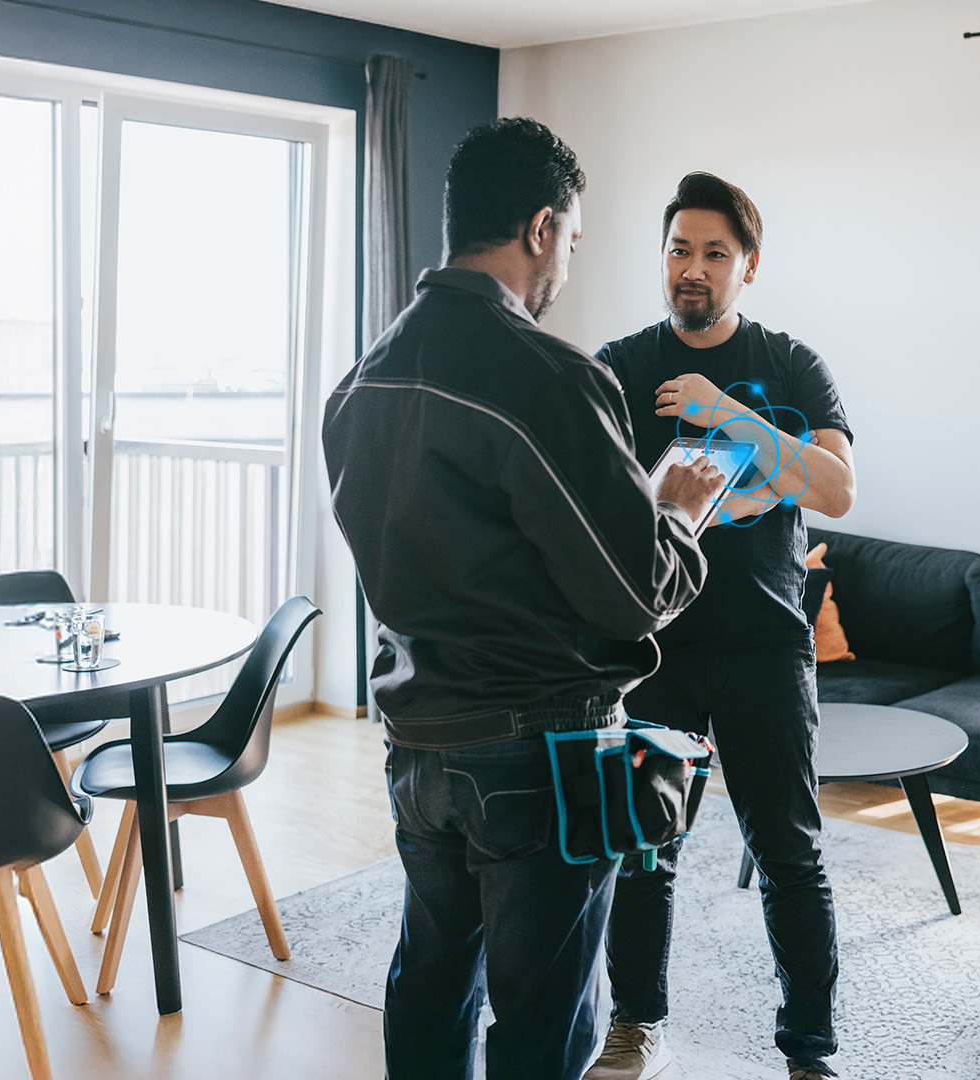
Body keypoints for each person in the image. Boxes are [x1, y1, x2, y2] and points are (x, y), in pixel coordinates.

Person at [322, 119, 727, 1080]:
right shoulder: (549, 376)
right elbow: (636, 593)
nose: (568, 265)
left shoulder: (362, 381)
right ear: (542, 227)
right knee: (544, 1026)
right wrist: (676, 513)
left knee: (431, 988)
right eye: (573, 239)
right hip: (537, 751)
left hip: (417, 739)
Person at [587, 173, 856, 1080]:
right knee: (642, 850)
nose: (692, 269)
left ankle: (809, 1052)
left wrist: (723, 409)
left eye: (713, 253)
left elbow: (836, 491)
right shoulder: (618, 366)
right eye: (678, 250)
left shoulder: (792, 364)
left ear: (749, 265)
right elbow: (584, 506)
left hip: (766, 646)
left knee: (789, 853)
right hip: (652, 650)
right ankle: (636, 1025)